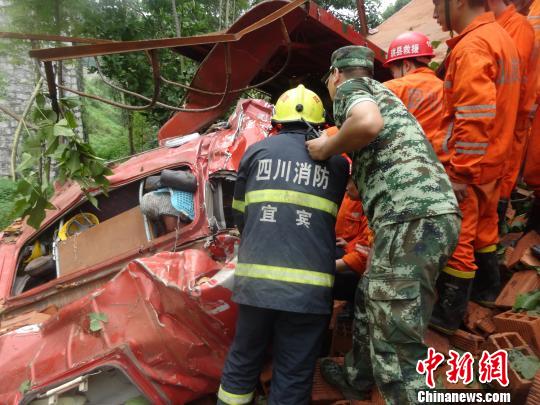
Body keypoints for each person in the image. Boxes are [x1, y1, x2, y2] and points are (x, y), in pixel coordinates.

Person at [306, 46, 461, 404]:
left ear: (335, 75)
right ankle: (356, 376)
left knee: (396, 343)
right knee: (369, 295)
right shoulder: (388, 97)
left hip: (409, 219)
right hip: (432, 217)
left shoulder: (350, 89)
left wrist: (327, 147)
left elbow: (367, 124)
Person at [217, 85, 349, 405]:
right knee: (293, 372)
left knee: (244, 360)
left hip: (257, 285)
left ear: (277, 121)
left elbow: (241, 216)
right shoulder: (338, 163)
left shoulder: (257, 152)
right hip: (309, 290)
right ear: (320, 124)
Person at [429, 0, 521, 332]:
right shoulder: (500, 37)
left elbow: (473, 115)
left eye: (438, 4)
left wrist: (459, 173)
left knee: (460, 236)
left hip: (471, 162)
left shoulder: (473, 46)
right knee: (484, 229)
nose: (435, 13)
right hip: (494, 156)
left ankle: (449, 314)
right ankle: (487, 289)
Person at [487, 0, 536, 232]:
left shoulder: (517, 26)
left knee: (501, 184)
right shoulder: (499, 26)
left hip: (510, 119)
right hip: (501, 121)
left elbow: (511, 86)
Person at [383, 31, 444, 142]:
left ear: (406, 66)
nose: (394, 77)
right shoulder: (445, 86)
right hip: (450, 156)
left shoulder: (394, 87)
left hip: (414, 157)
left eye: (393, 72)